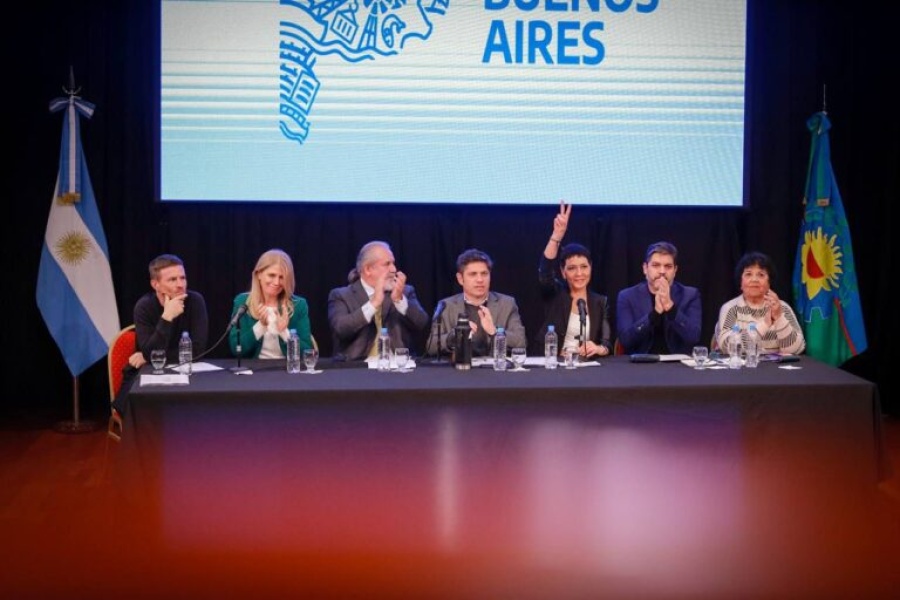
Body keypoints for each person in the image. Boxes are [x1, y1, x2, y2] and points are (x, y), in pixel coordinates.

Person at [112, 254, 209, 415]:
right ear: (155, 284)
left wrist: (149, 356)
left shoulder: (196, 301)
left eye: (182, 278)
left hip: (186, 372)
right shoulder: (144, 307)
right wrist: (167, 317)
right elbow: (151, 354)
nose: (180, 284)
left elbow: (198, 350)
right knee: (149, 415)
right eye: (172, 280)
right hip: (149, 373)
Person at [327, 240, 429, 361]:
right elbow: (341, 329)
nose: (394, 269)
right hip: (356, 368)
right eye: (387, 264)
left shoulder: (404, 292)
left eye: (393, 263)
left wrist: (400, 300)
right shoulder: (341, 295)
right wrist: (373, 303)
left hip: (398, 367)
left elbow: (422, 323)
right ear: (368, 269)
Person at [535, 201, 611, 359]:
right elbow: (545, 272)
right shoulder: (555, 293)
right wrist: (556, 236)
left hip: (586, 366)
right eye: (572, 268)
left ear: (591, 268)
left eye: (584, 266)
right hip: (554, 364)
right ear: (563, 272)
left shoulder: (600, 301)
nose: (579, 273)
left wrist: (597, 348)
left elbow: (607, 343)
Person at [427, 248, 527, 357]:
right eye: (473, 274)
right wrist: (456, 335)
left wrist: (495, 332)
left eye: (484, 274)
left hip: (495, 369)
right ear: (460, 279)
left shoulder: (507, 304)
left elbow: (521, 342)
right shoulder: (446, 306)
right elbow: (431, 346)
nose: (480, 280)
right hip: (459, 370)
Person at [616, 241, 702, 355]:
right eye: (656, 265)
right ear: (645, 269)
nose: (662, 271)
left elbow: (693, 337)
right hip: (640, 365)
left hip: (679, 366)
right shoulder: (627, 296)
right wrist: (654, 315)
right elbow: (626, 340)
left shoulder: (690, 295)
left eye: (668, 266)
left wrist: (670, 308)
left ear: (675, 271)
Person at [716, 251, 805, 355]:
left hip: (777, 369)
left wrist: (779, 318)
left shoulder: (783, 308)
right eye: (748, 274)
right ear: (741, 283)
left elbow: (797, 348)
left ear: (769, 283)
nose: (754, 279)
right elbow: (726, 346)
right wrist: (764, 325)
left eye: (761, 275)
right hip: (741, 368)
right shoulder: (731, 308)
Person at [228, 248, 313, 358]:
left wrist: (284, 332)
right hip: (254, 370)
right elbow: (236, 349)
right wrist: (261, 326)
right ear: (259, 274)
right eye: (272, 275)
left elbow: (307, 353)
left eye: (282, 277)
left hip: (287, 370)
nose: (277, 282)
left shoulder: (299, 305)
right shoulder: (242, 302)